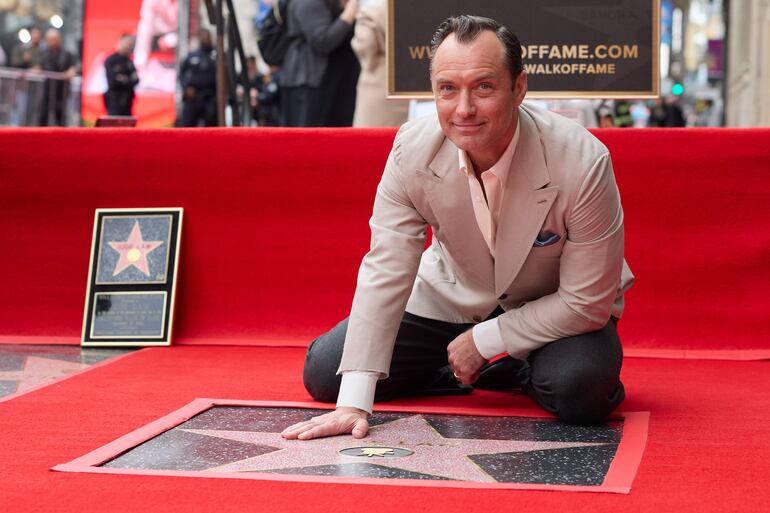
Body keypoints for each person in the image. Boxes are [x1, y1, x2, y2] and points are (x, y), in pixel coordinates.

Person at [283, 15, 634, 441]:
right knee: (328, 374)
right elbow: (387, 264)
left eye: (484, 87)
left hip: (555, 306)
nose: (463, 109)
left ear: (518, 88)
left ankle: (512, 363)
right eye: (448, 89)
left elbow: (585, 303)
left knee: (581, 391)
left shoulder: (582, 160)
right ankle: (470, 369)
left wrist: (484, 341)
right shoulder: (411, 149)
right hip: (454, 294)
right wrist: (355, 402)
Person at [280, 0, 360, 126]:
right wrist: (348, 14)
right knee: (309, 139)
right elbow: (322, 40)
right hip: (310, 82)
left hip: (331, 84)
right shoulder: (308, 3)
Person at [351, 0, 408, 127]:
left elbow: (365, 43)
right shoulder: (414, 9)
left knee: (372, 138)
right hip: (408, 82)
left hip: (378, 80)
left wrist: (367, 62)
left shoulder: (371, 10)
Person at [178, 29, 217, 127]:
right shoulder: (192, 56)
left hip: (210, 98)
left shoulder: (216, 55)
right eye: (203, 37)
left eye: (207, 38)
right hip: (193, 98)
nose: (206, 40)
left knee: (211, 129)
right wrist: (186, 88)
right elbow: (181, 74)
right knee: (186, 128)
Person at [38, 29, 77, 126]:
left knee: (60, 117)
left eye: (53, 39)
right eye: (49, 40)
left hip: (61, 91)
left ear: (59, 39)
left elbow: (75, 66)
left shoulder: (67, 54)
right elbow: (40, 66)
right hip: (46, 90)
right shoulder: (43, 53)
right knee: (43, 115)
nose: (51, 42)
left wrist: (72, 71)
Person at [103, 34, 140, 116]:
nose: (129, 47)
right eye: (127, 44)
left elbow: (136, 80)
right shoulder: (111, 60)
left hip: (128, 101)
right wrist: (127, 80)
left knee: (128, 124)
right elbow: (113, 81)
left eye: (131, 45)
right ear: (120, 43)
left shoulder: (129, 61)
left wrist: (124, 79)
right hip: (114, 101)